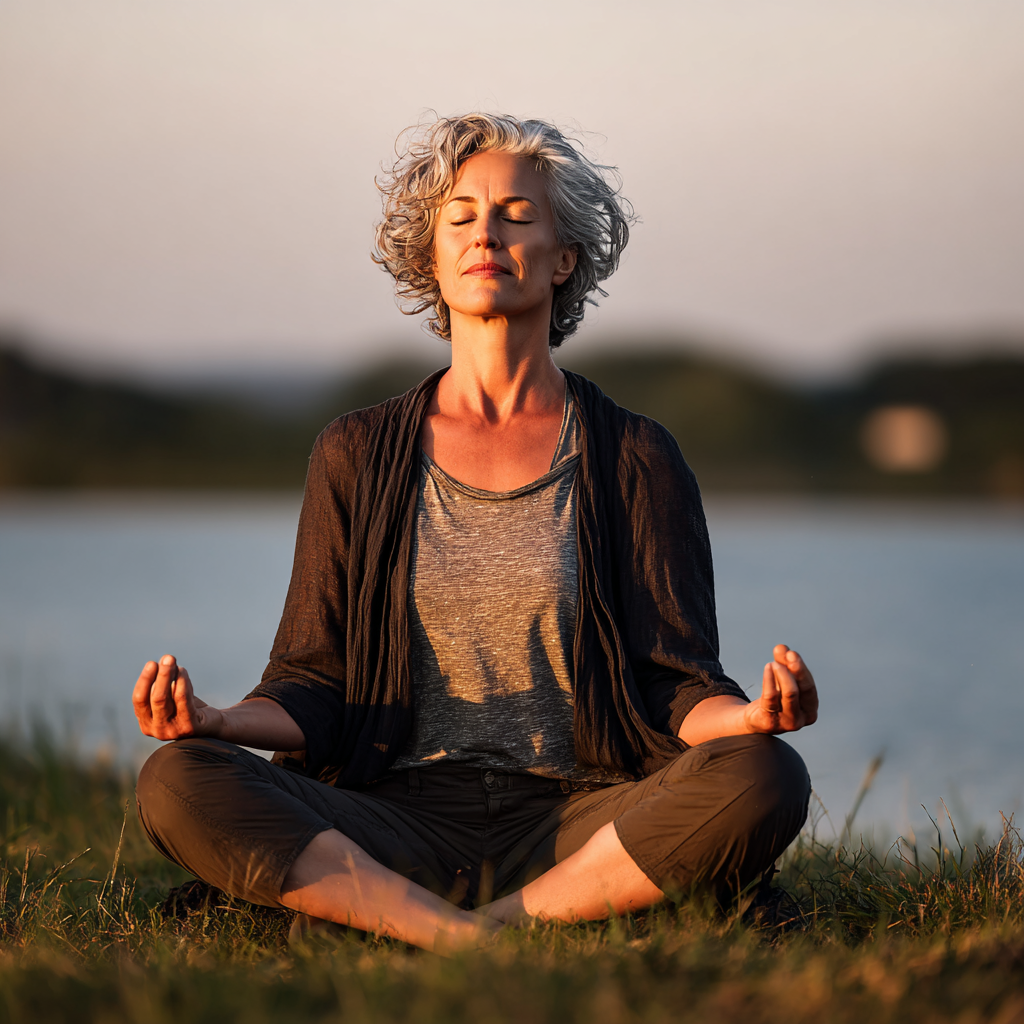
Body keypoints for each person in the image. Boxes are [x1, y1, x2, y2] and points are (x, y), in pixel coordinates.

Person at [133, 113, 817, 955]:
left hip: (579, 815)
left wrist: (751, 719)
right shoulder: (354, 451)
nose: (485, 232)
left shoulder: (637, 454)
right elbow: (312, 684)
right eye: (460, 217)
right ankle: (477, 931)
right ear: (432, 258)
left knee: (766, 777)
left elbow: (675, 684)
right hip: (392, 812)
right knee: (178, 779)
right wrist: (215, 721)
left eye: (516, 215)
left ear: (565, 258)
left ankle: (472, 925)